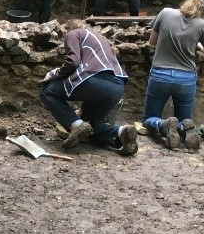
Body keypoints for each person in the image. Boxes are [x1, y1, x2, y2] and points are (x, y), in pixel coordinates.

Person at [39, 20, 138, 156]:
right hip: (117, 87)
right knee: (91, 126)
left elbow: (73, 61)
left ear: (67, 29)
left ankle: (76, 124)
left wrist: (53, 75)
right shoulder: (102, 41)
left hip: (94, 80)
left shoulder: (74, 33)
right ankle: (122, 132)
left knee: (47, 91)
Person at [142, 0, 204, 151]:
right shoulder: (203, 24)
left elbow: (152, 41)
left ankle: (163, 124)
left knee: (149, 118)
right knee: (184, 120)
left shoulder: (166, 13)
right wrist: (197, 46)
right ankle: (184, 127)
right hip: (186, 79)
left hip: (160, 75)